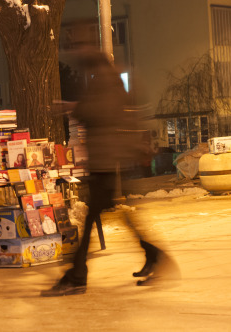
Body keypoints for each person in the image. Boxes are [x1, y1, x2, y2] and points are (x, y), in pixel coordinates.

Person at [41, 48, 179, 296]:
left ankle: (78, 275)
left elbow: (100, 112)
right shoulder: (107, 79)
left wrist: (73, 107)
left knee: (94, 217)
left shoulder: (104, 79)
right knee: (110, 216)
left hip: (108, 161)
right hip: (108, 160)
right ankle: (152, 255)